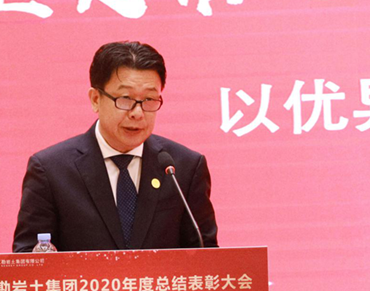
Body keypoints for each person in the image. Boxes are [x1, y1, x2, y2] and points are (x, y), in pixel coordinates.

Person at [12, 41, 218, 253]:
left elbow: (207, 257)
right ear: (95, 99)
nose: (137, 113)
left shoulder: (183, 168)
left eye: (149, 99)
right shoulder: (51, 171)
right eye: (125, 99)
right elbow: (28, 258)